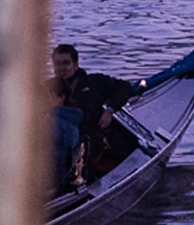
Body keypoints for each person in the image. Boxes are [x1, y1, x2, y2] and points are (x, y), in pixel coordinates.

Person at [51, 44, 133, 187]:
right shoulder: (48, 87)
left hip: (90, 141)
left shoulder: (94, 82)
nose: (61, 68)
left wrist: (110, 110)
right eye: (57, 64)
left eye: (66, 63)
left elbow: (125, 87)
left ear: (76, 65)